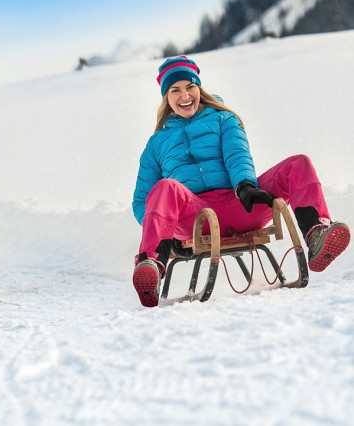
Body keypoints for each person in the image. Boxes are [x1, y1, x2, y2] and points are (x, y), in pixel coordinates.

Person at [131, 55, 350, 308]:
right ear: (166, 97)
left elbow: (237, 154)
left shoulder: (223, 119)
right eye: (175, 90)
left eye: (190, 86)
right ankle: (152, 263)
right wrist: (166, 237)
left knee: (298, 164)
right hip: (193, 220)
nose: (185, 95)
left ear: (199, 88)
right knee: (165, 187)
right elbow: (141, 202)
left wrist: (246, 185)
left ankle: (316, 233)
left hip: (240, 203)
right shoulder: (156, 144)